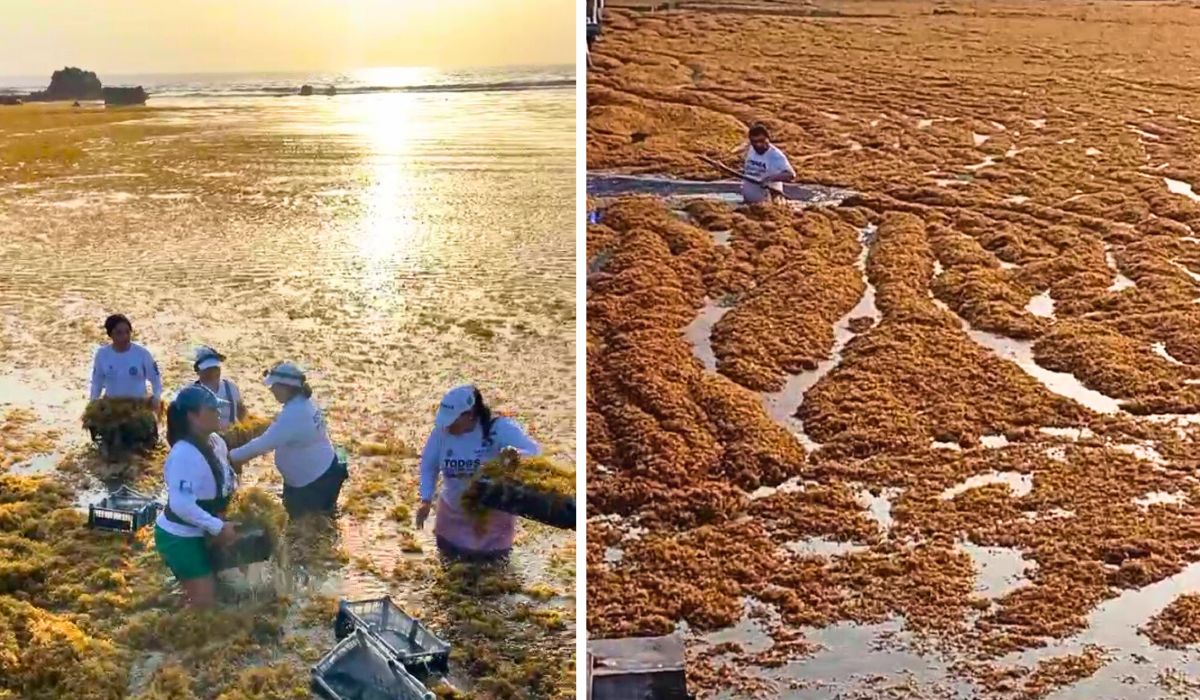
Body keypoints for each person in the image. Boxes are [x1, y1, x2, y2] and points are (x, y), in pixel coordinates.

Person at [415, 384, 541, 560]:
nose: (448, 425)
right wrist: (426, 499)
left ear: (470, 415)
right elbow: (429, 465)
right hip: (452, 518)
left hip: (492, 522)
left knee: (492, 577)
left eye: (452, 420)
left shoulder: (499, 429)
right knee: (450, 574)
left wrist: (517, 455)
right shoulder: (441, 434)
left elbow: (536, 454)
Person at [153, 385, 239, 609]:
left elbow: (227, 480)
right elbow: (181, 505)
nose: (218, 413)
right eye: (212, 409)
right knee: (205, 606)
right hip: (180, 537)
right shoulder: (183, 454)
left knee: (228, 590)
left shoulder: (217, 442)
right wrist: (217, 527)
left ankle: (185, 589)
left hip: (207, 528)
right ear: (193, 416)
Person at [229, 361, 347, 518]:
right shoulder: (304, 402)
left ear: (287, 387)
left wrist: (230, 457)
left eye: (274, 386)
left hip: (317, 482)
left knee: (309, 527)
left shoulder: (295, 414)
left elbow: (263, 444)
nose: (271, 390)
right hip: (323, 470)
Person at [89, 314, 163, 413]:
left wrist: (156, 398)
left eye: (127, 332)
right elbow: (97, 382)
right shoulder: (102, 355)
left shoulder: (142, 354)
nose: (125, 336)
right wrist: (93, 402)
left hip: (138, 408)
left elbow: (155, 379)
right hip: (112, 409)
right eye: (119, 333)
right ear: (110, 334)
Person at [736, 123, 796, 204]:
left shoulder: (776, 156)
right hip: (749, 202)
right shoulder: (751, 149)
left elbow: (790, 175)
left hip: (769, 203)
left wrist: (769, 180)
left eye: (761, 141)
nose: (758, 144)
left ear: (768, 139)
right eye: (754, 142)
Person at [192, 346, 247, 431]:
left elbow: (241, 409)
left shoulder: (231, 387)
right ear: (199, 372)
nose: (213, 373)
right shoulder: (192, 392)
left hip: (231, 437)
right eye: (208, 370)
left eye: (215, 369)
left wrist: (243, 427)